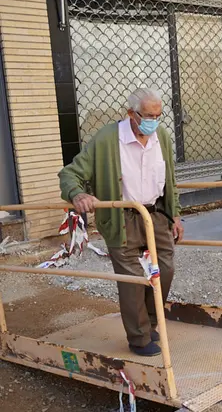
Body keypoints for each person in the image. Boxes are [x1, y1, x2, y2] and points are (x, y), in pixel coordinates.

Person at [59, 88, 183, 357]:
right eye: (148, 116)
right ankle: (139, 338)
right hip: (121, 217)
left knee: (165, 269)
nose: (153, 121)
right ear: (131, 113)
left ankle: (150, 323)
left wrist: (175, 214)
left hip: (156, 215)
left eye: (158, 116)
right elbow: (70, 174)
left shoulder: (161, 136)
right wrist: (78, 194)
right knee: (132, 280)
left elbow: (169, 180)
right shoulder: (107, 139)